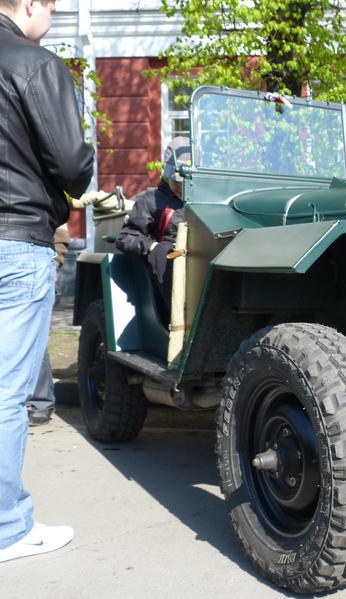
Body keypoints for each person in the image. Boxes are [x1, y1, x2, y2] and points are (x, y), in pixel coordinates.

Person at [0, 0, 94, 563]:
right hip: (15, 238)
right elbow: (73, 166)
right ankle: (6, 527)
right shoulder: (33, 61)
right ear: (31, 5)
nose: (52, 20)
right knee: (7, 392)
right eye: (53, 9)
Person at [115, 137, 189, 310]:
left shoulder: (205, 200)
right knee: (164, 251)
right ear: (167, 175)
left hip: (196, 261)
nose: (180, 186)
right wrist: (153, 247)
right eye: (176, 181)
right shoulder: (150, 201)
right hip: (165, 267)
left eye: (184, 181)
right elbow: (126, 237)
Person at [26, 225, 69, 426]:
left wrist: (54, 263)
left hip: (33, 267)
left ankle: (41, 402)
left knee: (33, 337)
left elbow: (59, 232)